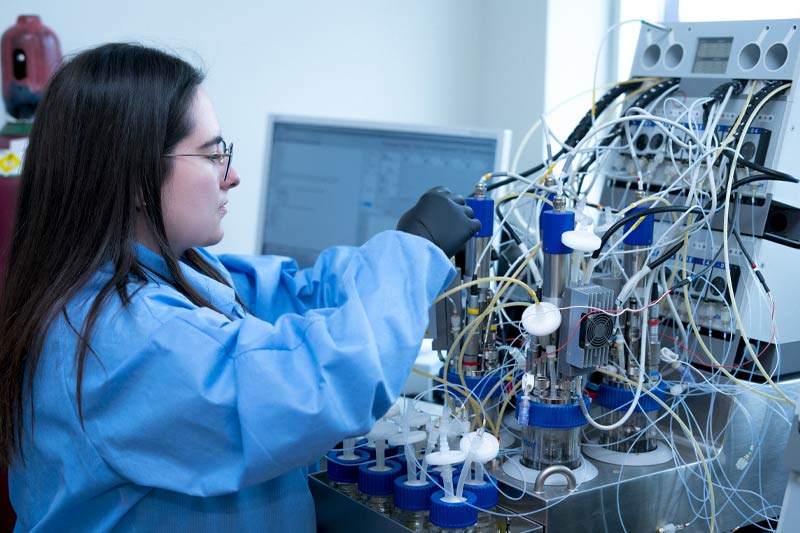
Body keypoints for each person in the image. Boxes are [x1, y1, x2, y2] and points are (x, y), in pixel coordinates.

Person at [0, 43, 480, 531]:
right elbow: (320, 388)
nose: (232, 176)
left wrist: (399, 251)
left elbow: (294, 292)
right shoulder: (119, 338)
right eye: (212, 156)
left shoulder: (162, 272)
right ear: (137, 181)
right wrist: (409, 255)